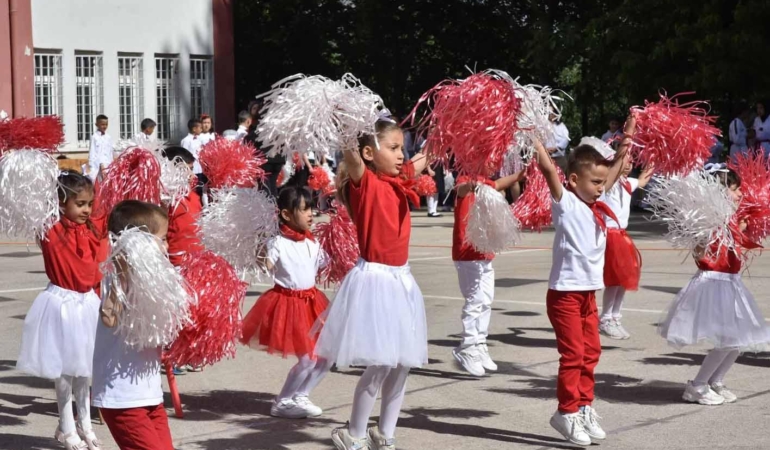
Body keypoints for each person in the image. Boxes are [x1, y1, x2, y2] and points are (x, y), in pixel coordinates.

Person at [314, 116, 429, 450]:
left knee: (402, 364)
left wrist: (450, 125)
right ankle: (356, 432)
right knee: (380, 363)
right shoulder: (363, 183)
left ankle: (386, 434)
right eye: (393, 148)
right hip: (376, 280)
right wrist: (343, 116)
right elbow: (349, 153)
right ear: (368, 153)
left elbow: (427, 155)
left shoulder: (400, 181)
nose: (401, 155)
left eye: (402, 149)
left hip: (402, 281)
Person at [533, 117, 632, 447]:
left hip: (588, 293)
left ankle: (585, 406)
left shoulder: (598, 206)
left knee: (591, 352)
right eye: (594, 181)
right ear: (574, 180)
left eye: (603, 182)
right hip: (564, 295)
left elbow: (616, 167)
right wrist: (531, 135)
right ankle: (566, 412)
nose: (601, 187)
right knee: (573, 354)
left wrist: (628, 133)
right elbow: (549, 170)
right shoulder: (567, 203)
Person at [658, 170, 770, 405]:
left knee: (738, 340)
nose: (741, 193)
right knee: (727, 340)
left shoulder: (729, 220)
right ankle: (697, 386)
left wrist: (742, 226)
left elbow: (734, 248)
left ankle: (715, 380)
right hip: (713, 284)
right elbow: (701, 251)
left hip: (730, 283)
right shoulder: (708, 221)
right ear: (719, 192)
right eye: (736, 188)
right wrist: (706, 233)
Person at [16, 172, 108, 450]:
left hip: (87, 302)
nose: (86, 209)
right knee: (65, 372)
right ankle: (67, 427)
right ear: (61, 202)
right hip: (62, 304)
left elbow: (105, 211)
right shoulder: (51, 228)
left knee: (84, 371)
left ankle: (85, 423)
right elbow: (32, 201)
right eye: (80, 204)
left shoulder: (92, 228)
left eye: (89, 203)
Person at [240, 186, 332, 418]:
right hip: (289, 306)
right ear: (286, 215)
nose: (311, 213)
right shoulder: (278, 243)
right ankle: (282, 402)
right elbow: (266, 265)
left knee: (327, 356)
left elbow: (326, 264)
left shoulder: (313, 243)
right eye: (304, 209)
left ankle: (301, 395)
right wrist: (258, 242)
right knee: (308, 359)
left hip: (313, 303)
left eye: (311, 208)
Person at [92, 200, 175, 450]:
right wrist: (122, 278)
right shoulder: (116, 275)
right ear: (139, 242)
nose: (167, 245)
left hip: (150, 394)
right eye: (162, 238)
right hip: (122, 398)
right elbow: (109, 318)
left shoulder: (157, 280)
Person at [451, 170, 525, 376]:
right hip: (467, 254)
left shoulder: (487, 183)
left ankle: (479, 343)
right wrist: (472, 186)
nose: (493, 162)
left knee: (486, 300)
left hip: (485, 253)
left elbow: (498, 183)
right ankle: (467, 347)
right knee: (474, 301)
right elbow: (462, 190)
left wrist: (518, 176)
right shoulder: (465, 181)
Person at [598, 146, 654, 340]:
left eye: (631, 160)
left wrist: (653, 158)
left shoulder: (627, 183)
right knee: (614, 279)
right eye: (626, 159)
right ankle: (605, 318)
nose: (630, 163)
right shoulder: (609, 182)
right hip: (611, 235)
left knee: (625, 279)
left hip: (622, 235)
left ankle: (615, 316)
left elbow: (643, 179)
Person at [88, 114, 114, 181]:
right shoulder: (94, 137)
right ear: (97, 124)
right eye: (102, 124)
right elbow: (92, 153)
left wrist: (112, 165)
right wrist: (101, 165)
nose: (104, 126)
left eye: (106, 124)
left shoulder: (108, 137)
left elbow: (110, 152)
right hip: (98, 166)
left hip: (108, 165)